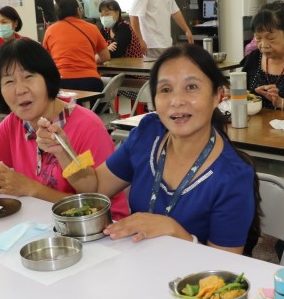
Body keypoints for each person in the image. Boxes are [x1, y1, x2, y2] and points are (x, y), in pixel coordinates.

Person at [37, 44, 260, 254]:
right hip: (139, 269)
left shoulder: (233, 176)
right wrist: (63, 151)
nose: (176, 100)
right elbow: (96, 187)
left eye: (191, 87)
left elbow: (224, 270)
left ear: (218, 95)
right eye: (165, 89)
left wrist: (174, 231)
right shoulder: (149, 133)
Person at [0, 38, 129, 219]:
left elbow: (97, 208)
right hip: (39, 225)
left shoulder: (88, 127)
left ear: (48, 79)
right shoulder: (15, 123)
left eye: (29, 76)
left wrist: (30, 188)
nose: (20, 90)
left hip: (103, 232)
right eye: (9, 81)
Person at [41, 0, 110, 93]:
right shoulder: (92, 28)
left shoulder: (50, 30)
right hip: (90, 82)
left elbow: (46, 60)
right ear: (78, 10)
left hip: (61, 82)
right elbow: (105, 57)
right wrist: (90, 58)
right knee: (95, 107)